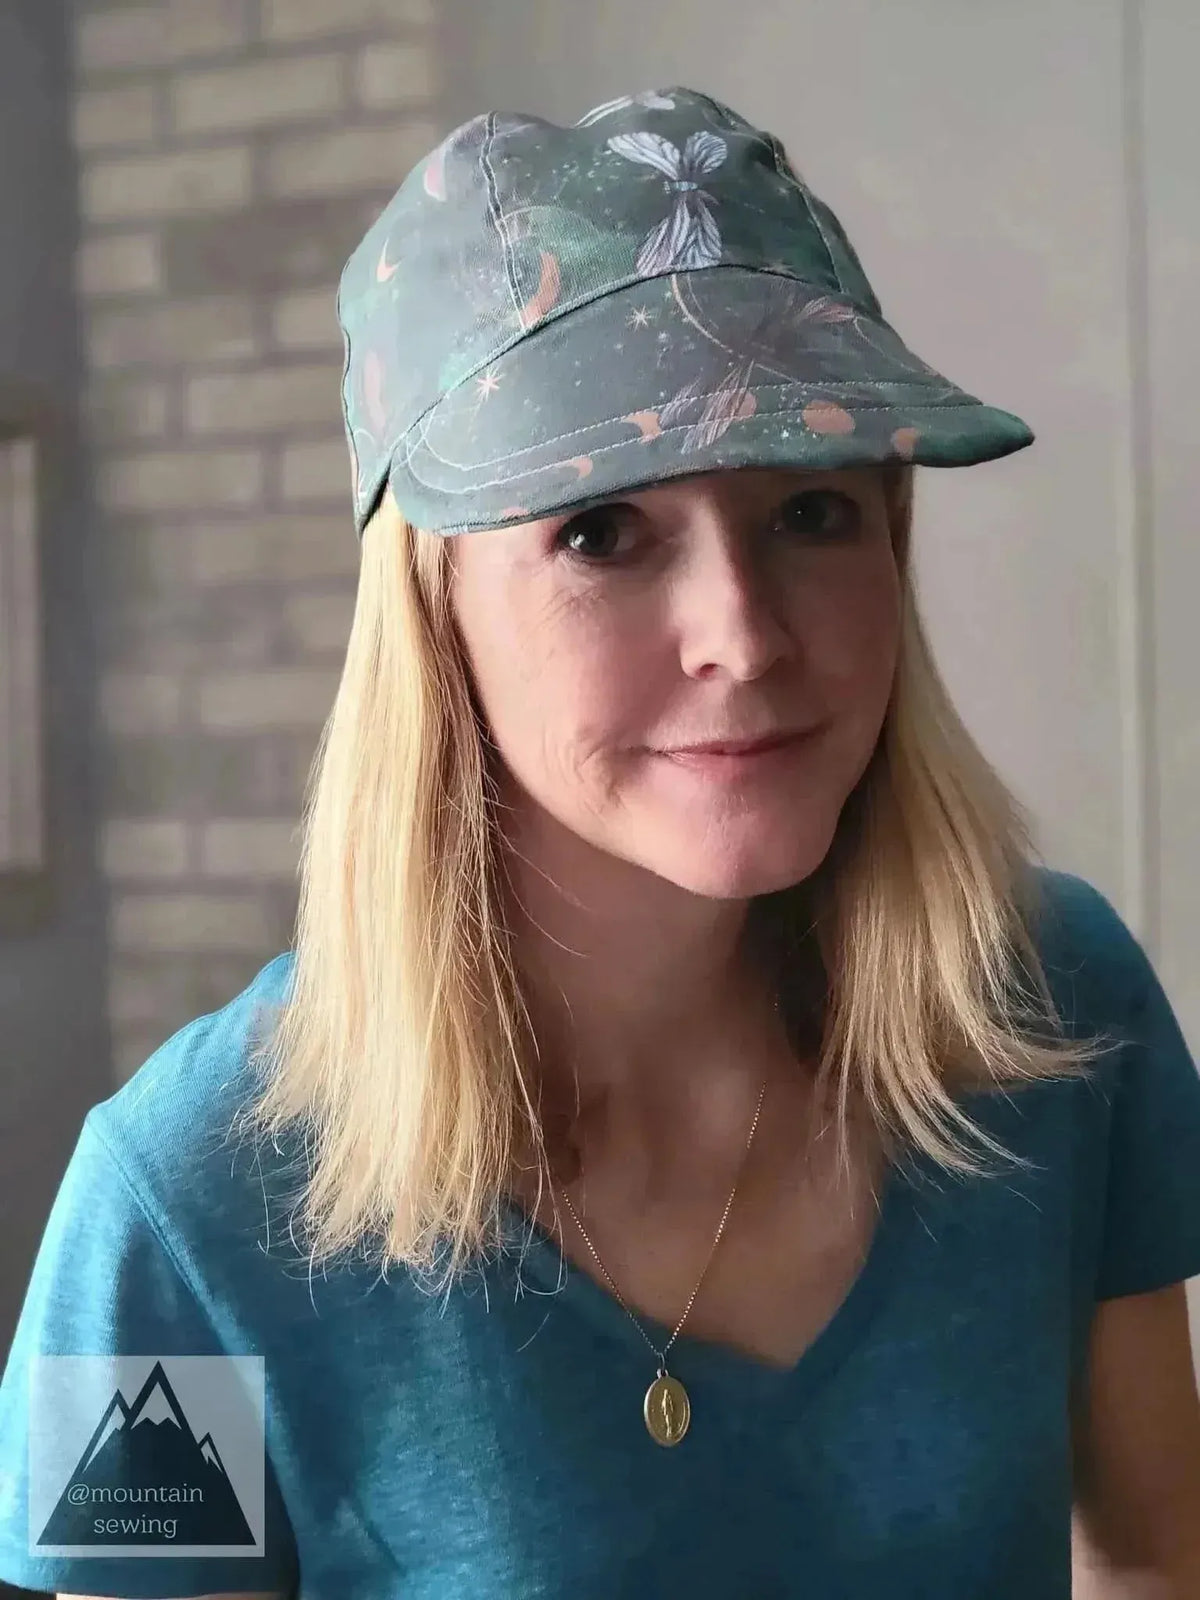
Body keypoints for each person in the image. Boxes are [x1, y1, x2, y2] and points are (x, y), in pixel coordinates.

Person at [1, 84, 1199, 1600]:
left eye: (813, 511)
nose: (743, 637)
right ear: (434, 611)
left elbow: (1155, 1557)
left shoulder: (1053, 1001)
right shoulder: (171, 1204)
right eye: (601, 532)